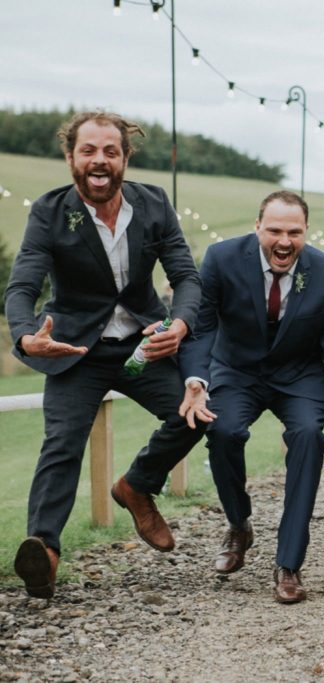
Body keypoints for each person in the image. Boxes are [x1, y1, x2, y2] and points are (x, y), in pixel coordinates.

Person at [4, 111, 205, 599]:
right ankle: (45, 553)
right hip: (75, 349)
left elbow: (186, 277)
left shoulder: (154, 203)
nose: (99, 160)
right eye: (88, 150)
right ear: (70, 156)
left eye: (109, 151)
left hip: (143, 345)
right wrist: (28, 336)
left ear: (124, 157)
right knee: (62, 444)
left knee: (198, 413)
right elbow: (23, 284)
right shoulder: (50, 212)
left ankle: (137, 486)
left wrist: (178, 325)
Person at [177, 191, 324, 604]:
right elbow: (203, 328)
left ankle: (289, 564)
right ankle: (239, 524)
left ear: (306, 232)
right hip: (236, 370)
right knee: (223, 431)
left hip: (298, 374)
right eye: (275, 230)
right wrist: (196, 377)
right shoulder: (221, 259)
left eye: (294, 232)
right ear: (257, 226)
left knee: (308, 437)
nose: (284, 241)